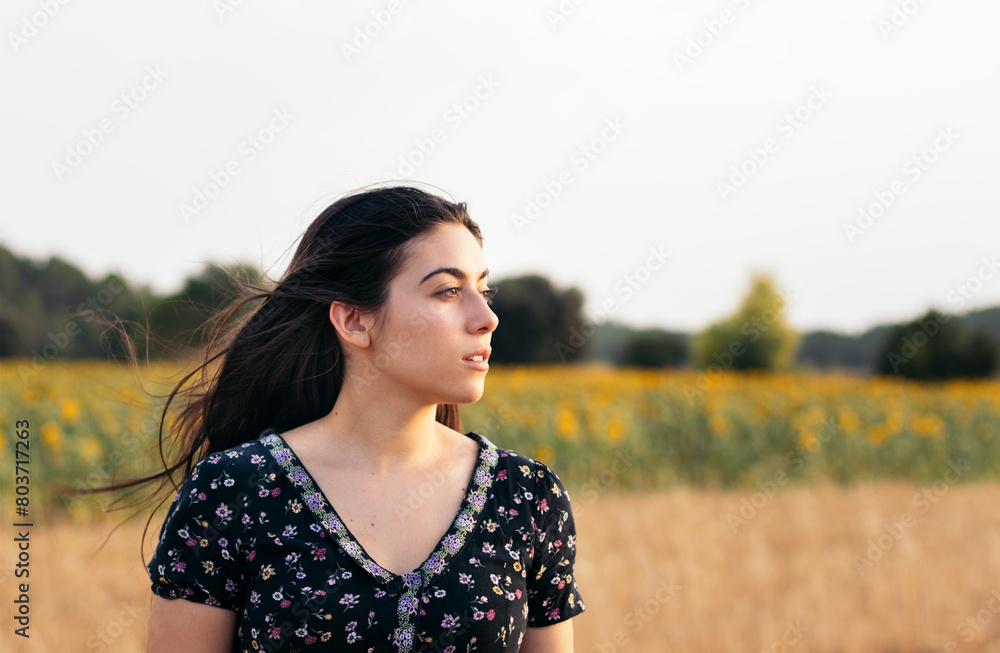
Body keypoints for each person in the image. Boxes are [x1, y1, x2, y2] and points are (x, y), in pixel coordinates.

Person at [137, 184, 585, 652]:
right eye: (448, 291)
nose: (486, 316)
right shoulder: (232, 491)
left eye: (484, 289)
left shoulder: (527, 497)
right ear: (354, 320)